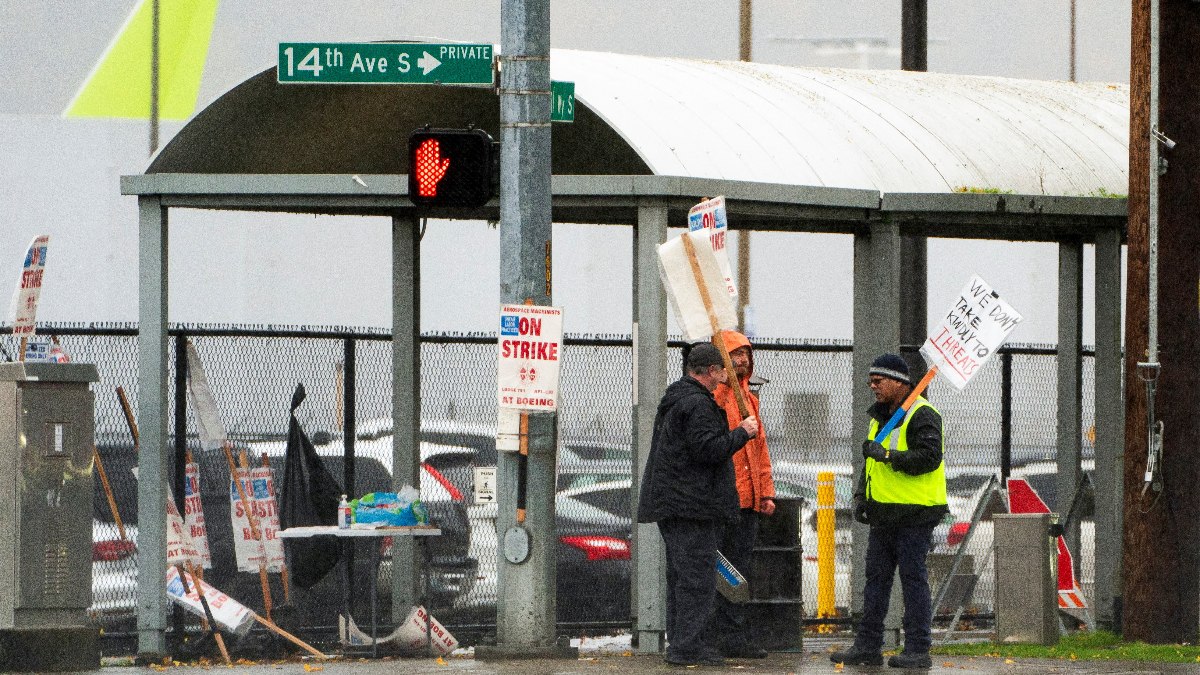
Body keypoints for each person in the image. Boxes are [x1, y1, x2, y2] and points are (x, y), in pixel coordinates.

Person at [637, 342, 760, 667]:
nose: (725, 375)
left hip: (676, 505)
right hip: (692, 506)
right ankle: (688, 647)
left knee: (684, 579)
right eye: (721, 369)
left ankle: (686, 644)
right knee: (698, 581)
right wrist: (742, 433)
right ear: (710, 371)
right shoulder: (698, 405)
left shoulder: (677, 400)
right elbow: (708, 449)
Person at [831, 353, 947, 670]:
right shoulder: (881, 417)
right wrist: (861, 495)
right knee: (876, 581)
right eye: (871, 381)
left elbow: (929, 458)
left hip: (914, 514)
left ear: (898, 382)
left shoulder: (922, 414)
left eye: (878, 381)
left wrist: (888, 455)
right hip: (884, 514)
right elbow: (870, 461)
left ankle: (918, 649)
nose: (873, 386)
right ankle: (868, 646)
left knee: (913, 580)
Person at [711, 330, 775, 659]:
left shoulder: (750, 400)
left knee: (738, 571)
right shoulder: (715, 398)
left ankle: (734, 635)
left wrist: (765, 492)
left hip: (747, 502)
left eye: (746, 354)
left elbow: (759, 451)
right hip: (724, 502)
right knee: (720, 571)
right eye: (735, 354)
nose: (743, 360)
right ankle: (716, 636)